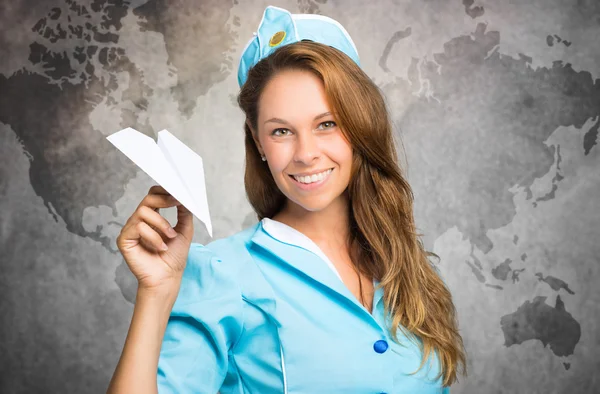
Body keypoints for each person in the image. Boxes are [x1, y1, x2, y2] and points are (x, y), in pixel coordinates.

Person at [107, 5, 467, 394]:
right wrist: (156, 294)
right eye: (281, 131)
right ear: (258, 141)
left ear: (360, 126)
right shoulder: (222, 274)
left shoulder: (405, 265)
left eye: (327, 124)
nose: (306, 153)